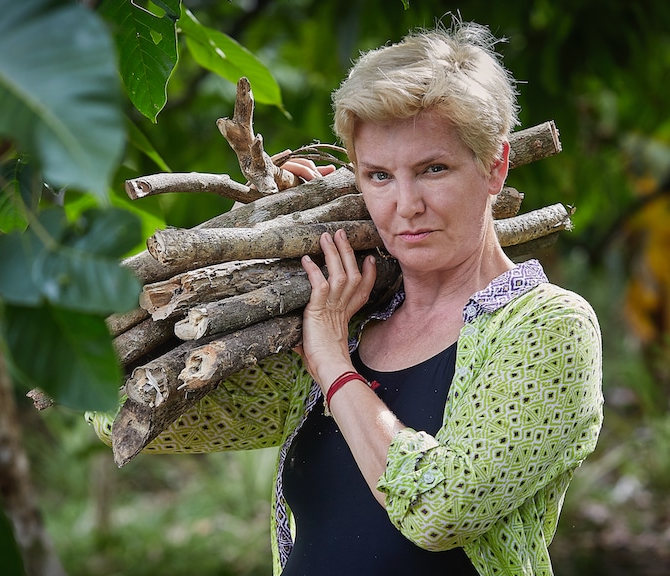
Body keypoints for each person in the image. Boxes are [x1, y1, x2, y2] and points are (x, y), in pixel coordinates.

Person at [89, 19, 603, 576]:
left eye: (433, 169)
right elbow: (121, 407)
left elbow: (439, 510)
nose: (406, 204)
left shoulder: (548, 326)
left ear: (495, 165)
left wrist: (334, 368)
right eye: (379, 176)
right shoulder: (344, 319)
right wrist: (262, 248)